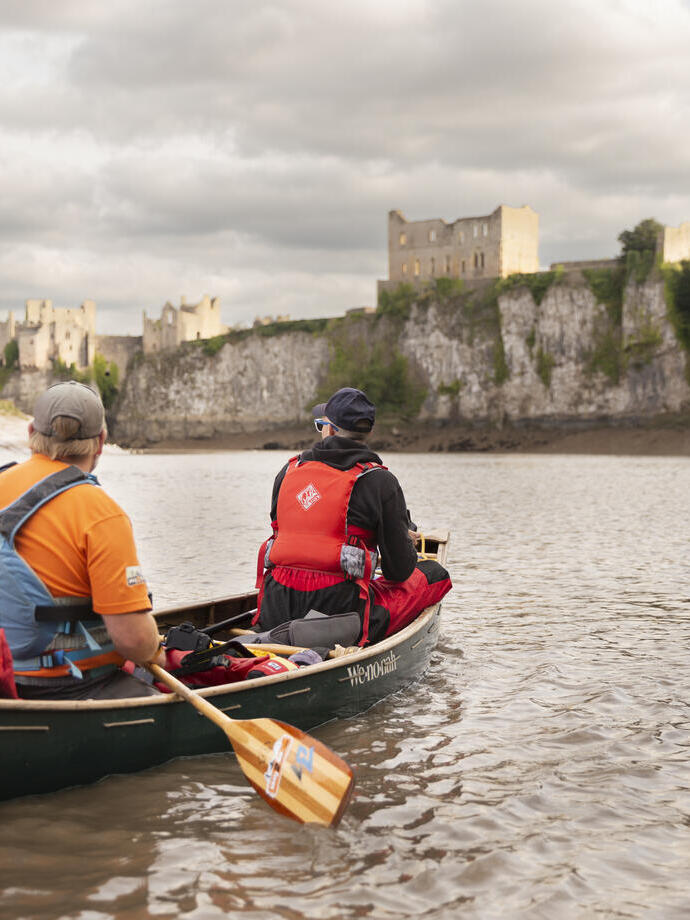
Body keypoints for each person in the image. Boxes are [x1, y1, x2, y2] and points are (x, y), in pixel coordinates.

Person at [0, 381, 164, 699]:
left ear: (31, 432)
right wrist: (155, 647)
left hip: (5, 679)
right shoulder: (101, 514)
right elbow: (133, 642)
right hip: (70, 685)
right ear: (101, 441)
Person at [255, 386, 452, 645]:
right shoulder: (380, 480)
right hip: (338, 617)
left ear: (331, 430)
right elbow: (399, 572)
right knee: (435, 573)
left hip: (275, 607)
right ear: (369, 432)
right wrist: (403, 539)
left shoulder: (288, 472)